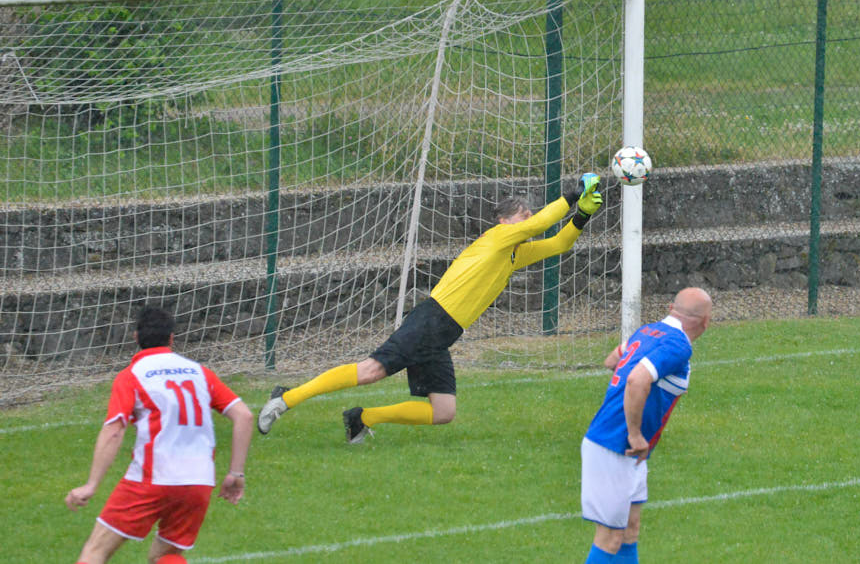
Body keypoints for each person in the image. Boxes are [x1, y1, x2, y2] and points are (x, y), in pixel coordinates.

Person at [258, 173, 605, 443]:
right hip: (432, 319)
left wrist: (583, 214)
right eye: (523, 215)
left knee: (443, 411)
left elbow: (558, 243)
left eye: (529, 214)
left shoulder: (515, 252)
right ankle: (286, 398)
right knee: (370, 371)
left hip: (443, 332)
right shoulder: (497, 237)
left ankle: (361, 419)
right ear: (503, 222)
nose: (529, 219)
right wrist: (573, 194)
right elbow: (541, 224)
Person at [65, 306, 254, 564]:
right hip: (198, 481)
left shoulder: (132, 376)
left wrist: (91, 485)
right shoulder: (199, 373)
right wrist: (236, 473)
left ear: (135, 337)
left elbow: (113, 432)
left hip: (152, 479)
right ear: (171, 338)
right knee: (165, 557)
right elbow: (244, 416)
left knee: (95, 551)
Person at [581, 287, 713, 564]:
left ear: (671, 308)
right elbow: (636, 379)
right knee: (610, 538)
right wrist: (635, 434)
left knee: (630, 530)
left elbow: (613, 360)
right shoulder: (679, 346)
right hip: (615, 445)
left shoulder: (647, 331)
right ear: (706, 321)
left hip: (626, 450)